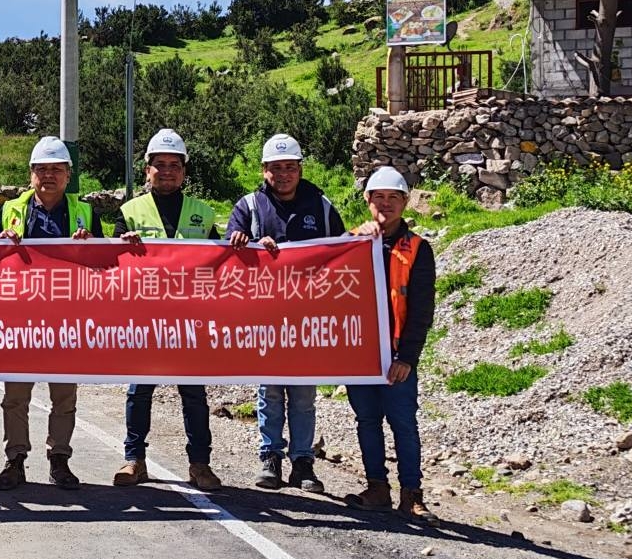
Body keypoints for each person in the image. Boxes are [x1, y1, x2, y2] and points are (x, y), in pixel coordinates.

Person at [226, 133, 346, 493]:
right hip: (265, 318)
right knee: (270, 390)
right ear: (264, 171)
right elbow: (228, 249)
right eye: (276, 168)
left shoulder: (321, 206)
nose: (283, 175)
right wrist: (249, 246)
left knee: (304, 394)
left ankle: (303, 462)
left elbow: (342, 252)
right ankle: (270, 457)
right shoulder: (248, 207)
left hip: (307, 318)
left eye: (289, 168)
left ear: (300, 169)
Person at [114, 129, 223, 491]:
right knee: (139, 390)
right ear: (146, 170)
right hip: (144, 319)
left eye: (174, 165)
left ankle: (200, 464)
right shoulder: (128, 212)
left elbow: (221, 265)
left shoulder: (203, 214)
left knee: (193, 393)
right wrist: (120, 246)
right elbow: (108, 263)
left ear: (184, 172)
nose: (166, 171)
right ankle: (134, 460)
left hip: (189, 320)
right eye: (159, 165)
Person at [0, 136, 103, 491]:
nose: (49, 176)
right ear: (31, 175)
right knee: (16, 397)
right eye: (42, 169)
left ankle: (60, 460)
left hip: (65, 319)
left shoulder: (85, 213)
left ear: (69, 175)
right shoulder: (11, 209)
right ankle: (15, 460)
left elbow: (104, 265)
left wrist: (90, 247)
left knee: (64, 396)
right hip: (21, 319)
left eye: (56, 169)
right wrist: (0, 242)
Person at [345, 166, 436, 519]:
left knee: (403, 424)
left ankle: (412, 494)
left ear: (405, 202)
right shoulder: (350, 241)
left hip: (397, 356)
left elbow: (421, 309)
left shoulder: (418, 249)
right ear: (368, 201)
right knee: (367, 421)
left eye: (393, 198)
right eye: (378, 197)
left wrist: (407, 357)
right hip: (360, 356)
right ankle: (377, 488)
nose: (386, 204)